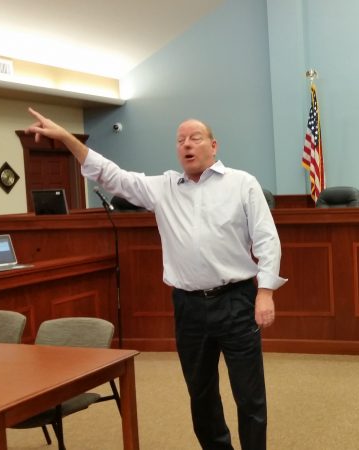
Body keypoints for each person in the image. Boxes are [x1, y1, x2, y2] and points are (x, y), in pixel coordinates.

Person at [25, 108, 286, 450]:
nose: (186, 145)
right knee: (201, 395)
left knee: (249, 396)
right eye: (180, 140)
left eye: (195, 138)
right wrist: (67, 139)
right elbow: (110, 175)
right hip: (189, 307)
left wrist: (265, 292)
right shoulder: (163, 188)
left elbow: (267, 239)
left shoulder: (242, 183)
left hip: (236, 300)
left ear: (213, 145)